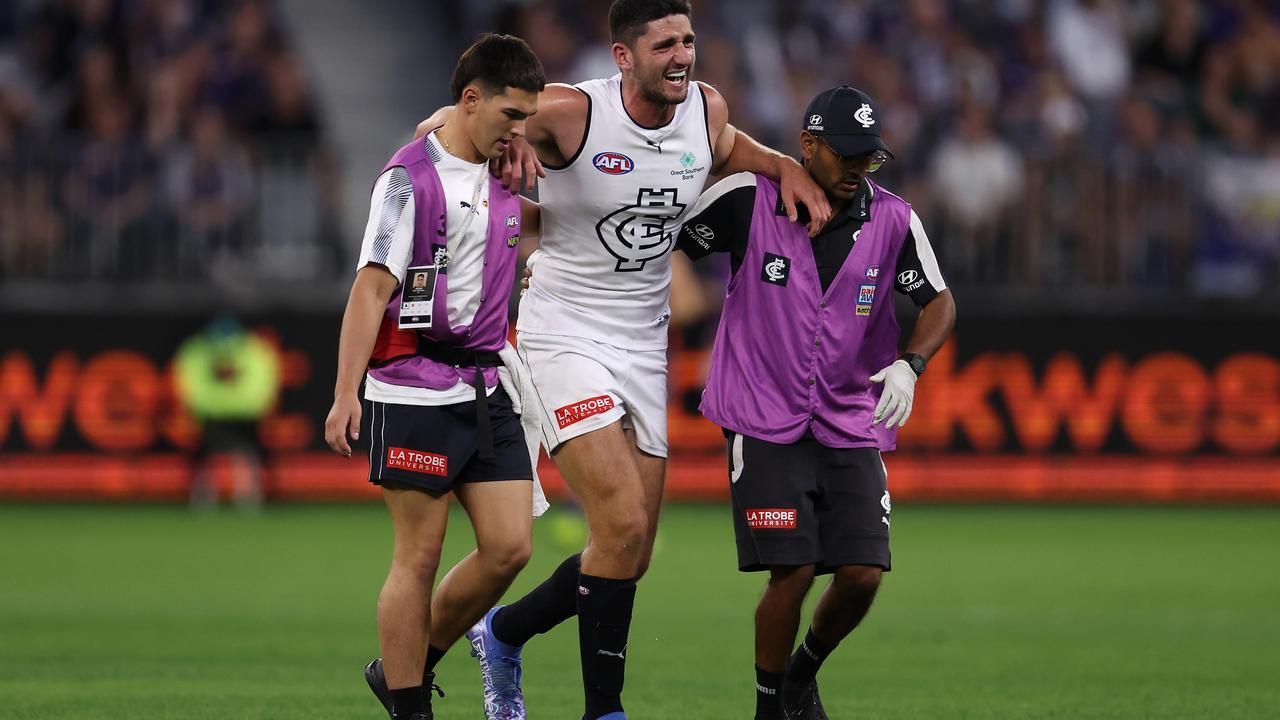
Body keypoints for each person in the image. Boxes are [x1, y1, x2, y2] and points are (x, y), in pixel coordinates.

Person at [413, 2, 831, 719]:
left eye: (689, 40)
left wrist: (784, 165)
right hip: (563, 333)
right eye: (664, 42)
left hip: (644, 342)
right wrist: (503, 139)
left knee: (629, 549)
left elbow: (723, 145)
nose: (682, 54)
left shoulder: (704, 108)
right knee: (623, 524)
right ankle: (599, 710)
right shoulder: (573, 113)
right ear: (622, 56)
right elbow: (447, 124)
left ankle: (502, 631)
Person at [674, 86, 957, 720]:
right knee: (794, 571)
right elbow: (666, 239)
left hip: (851, 419)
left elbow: (939, 301)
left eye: (870, 157)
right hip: (762, 417)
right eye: (847, 155)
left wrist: (911, 366)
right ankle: (770, 707)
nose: (860, 168)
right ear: (808, 146)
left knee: (862, 574)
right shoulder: (748, 200)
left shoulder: (894, 219)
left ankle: (802, 673)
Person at [322, 34, 546, 720]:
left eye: (527, 118)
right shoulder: (407, 179)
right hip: (412, 384)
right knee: (417, 557)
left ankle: (404, 670)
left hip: (487, 385)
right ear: (471, 100)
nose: (520, 130)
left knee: (509, 548)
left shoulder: (507, 165)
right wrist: (344, 394)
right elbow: (369, 287)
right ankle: (410, 706)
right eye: (511, 115)